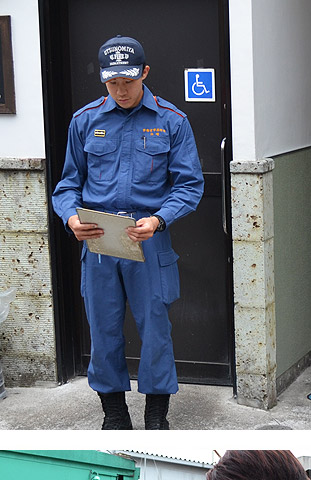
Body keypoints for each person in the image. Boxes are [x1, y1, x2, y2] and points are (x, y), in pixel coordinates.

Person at [50, 35, 204, 430]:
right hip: (99, 239)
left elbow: (189, 185)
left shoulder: (171, 120)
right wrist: (70, 218)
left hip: (147, 237)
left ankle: (156, 415)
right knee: (102, 329)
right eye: (112, 83)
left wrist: (159, 219)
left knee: (155, 328)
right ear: (103, 80)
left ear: (145, 74)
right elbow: (67, 185)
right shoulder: (85, 121)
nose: (120, 91)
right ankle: (114, 414)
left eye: (128, 82)